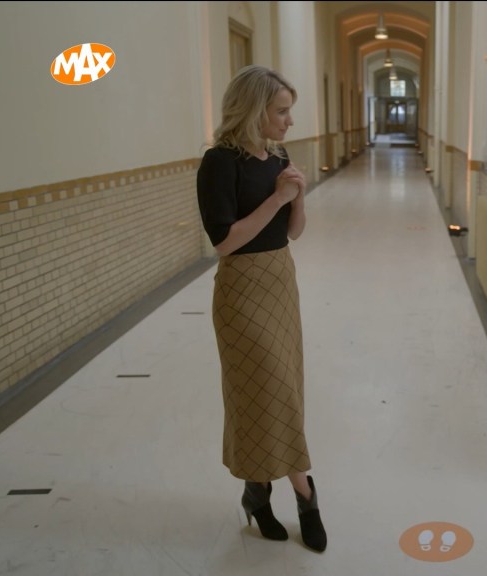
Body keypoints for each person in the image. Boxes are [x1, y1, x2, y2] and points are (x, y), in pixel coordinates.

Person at [196, 64, 326, 553]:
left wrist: (298, 198)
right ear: (254, 110)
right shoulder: (219, 162)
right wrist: (277, 198)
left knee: (282, 388)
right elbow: (225, 242)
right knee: (264, 389)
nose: (289, 121)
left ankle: (257, 492)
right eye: (281, 111)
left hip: (280, 281)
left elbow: (293, 232)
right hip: (242, 289)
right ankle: (306, 494)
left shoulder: (279, 157)